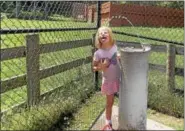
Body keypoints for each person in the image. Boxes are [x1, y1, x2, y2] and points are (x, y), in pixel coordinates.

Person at [92, 26, 121, 130]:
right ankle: (108, 123)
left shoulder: (114, 47)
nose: (103, 34)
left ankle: (124, 117)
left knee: (123, 99)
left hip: (120, 78)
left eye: (105, 32)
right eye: (100, 33)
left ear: (110, 35)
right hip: (109, 81)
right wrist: (102, 66)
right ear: (98, 38)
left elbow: (118, 58)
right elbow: (94, 67)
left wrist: (119, 56)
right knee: (110, 102)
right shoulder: (98, 53)